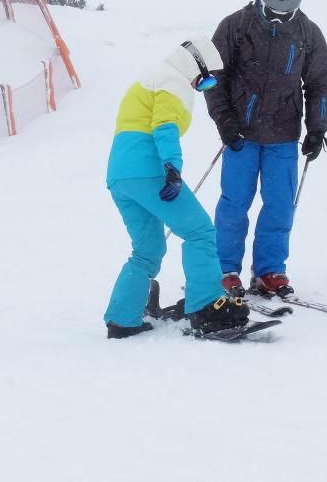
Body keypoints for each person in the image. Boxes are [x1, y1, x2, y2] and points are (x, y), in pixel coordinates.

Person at [104, 39, 250, 339]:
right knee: (200, 231)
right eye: (206, 79)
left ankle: (123, 320)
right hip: (150, 171)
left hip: (120, 176)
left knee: (147, 249)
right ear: (193, 63)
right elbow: (164, 125)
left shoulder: (150, 76)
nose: (204, 86)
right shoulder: (174, 80)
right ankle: (208, 307)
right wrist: (172, 167)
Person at [204, 0, 327, 298]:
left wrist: (316, 129)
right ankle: (225, 269)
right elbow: (213, 77)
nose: (277, 18)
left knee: (279, 204)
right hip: (241, 135)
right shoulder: (236, 25)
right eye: (271, 11)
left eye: (284, 14)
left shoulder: (308, 33)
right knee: (234, 203)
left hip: (284, 135)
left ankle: (270, 271)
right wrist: (224, 121)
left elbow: (318, 85)